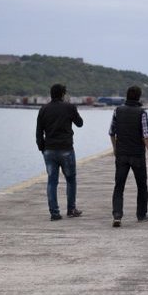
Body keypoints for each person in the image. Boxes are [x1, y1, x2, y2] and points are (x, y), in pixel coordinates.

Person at [35, 83, 84, 221]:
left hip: (49, 150)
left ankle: (54, 213)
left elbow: (39, 132)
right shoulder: (69, 107)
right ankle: (71, 209)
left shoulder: (43, 109)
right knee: (71, 179)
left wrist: (42, 148)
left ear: (51, 94)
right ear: (63, 94)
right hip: (66, 149)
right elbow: (80, 123)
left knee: (52, 182)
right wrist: (73, 110)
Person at [108, 85, 148, 227]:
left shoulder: (118, 110)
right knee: (141, 186)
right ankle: (141, 215)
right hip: (137, 155)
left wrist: (115, 149)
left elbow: (111, 132)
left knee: (119, 186)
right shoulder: (142, 113)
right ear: (139, 97)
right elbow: (146, 136)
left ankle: (117, 215)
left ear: (127, 96)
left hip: (121, 154)